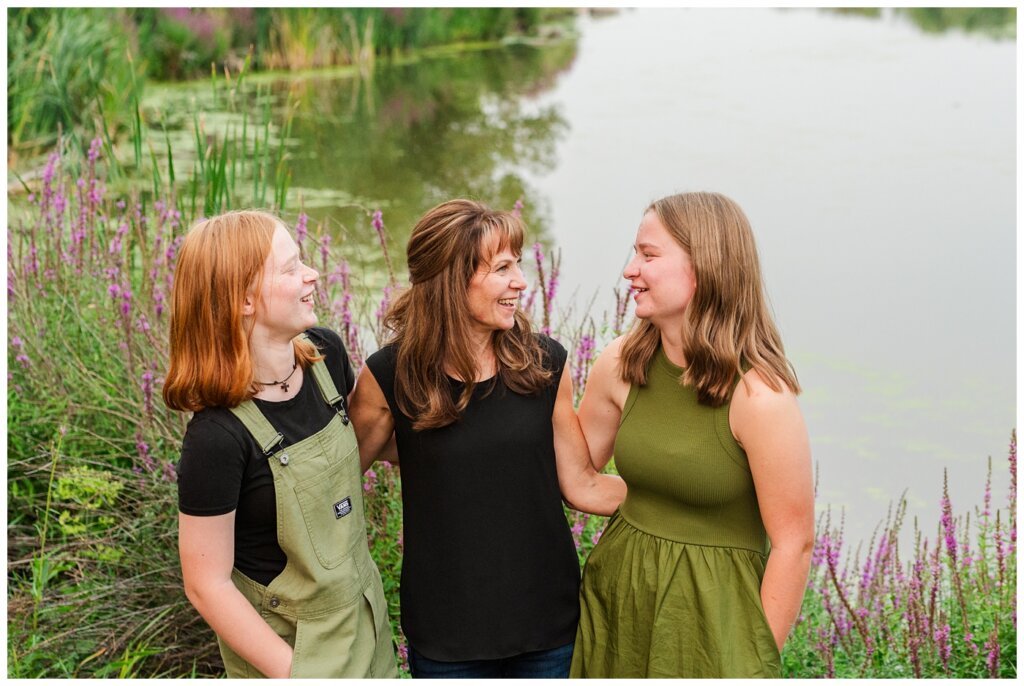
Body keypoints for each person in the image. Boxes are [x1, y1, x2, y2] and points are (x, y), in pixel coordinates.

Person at [349, 199, 626, 679]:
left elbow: (583, 483)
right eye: (502, 268)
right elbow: (336, 477)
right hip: (446, 638)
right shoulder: (389, 376)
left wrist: (691, 497)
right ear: (451, 280)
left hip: (550, 631)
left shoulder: (546, 365)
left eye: (518, 264)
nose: (521, 281)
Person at [569, 192, 814, 678]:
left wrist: (753, 659)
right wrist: (541, 380)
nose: (629, 270)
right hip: (617, 600)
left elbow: (794, 543)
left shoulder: (760, 396)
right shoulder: (619, 364)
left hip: (713, 622)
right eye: (634, 252)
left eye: (648, 254)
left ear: (705, 265)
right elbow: (579, 477)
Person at [163, 210, 397, 679]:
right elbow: (206, 585)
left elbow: (369, 448)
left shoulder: (325, 357)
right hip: (292, 652)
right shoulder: (217, 437)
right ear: (244, 299)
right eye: (291, 269)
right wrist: (296, 672)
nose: (312, 274)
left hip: (366, 628)